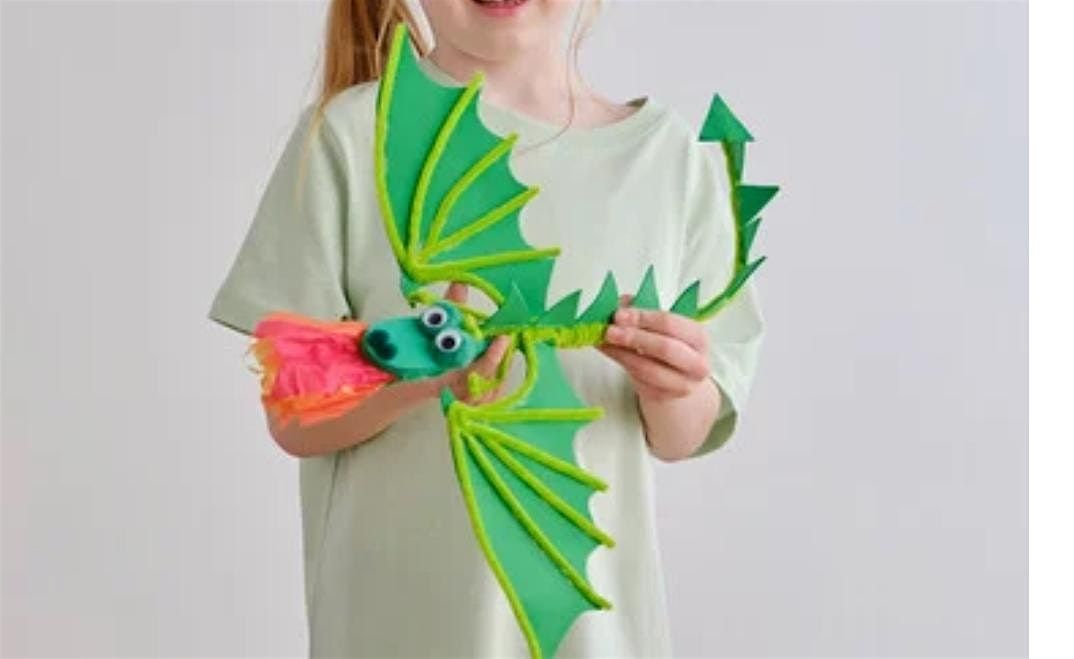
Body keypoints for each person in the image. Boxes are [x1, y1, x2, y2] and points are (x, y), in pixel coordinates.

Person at [208, 0, 764, 655]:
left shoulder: (669, 162)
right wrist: (421, 379)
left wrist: (676, 388)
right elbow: (295, 419)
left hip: (592, 637)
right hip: (399, 627)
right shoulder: (353, 138)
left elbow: (682, 435)